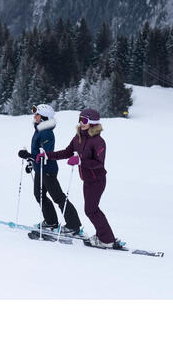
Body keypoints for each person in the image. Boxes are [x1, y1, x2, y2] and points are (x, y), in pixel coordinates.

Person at [46, 107, 118, 248]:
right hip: (87, 180)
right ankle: (103, 237)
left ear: (92, 123)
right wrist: (47, 155)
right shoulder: (78, 137)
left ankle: (107, 239)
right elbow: (67, 152)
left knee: (91, 210)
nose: (81, 123)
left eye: (84, 120)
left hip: (97, 180)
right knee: (91, 209)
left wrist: (80, 161)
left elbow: (99, 163)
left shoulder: (98, 141)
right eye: (80, 119)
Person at [17, 103, 82, 235]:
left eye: (37, 114)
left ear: (44, 117)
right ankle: (51, 221)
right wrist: (31, 161)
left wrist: (30, 156)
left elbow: (45, 154)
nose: (34, 116)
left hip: (47, 170)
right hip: (40, 169)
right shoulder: (39, 130)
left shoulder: (46, 133)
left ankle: (73, 225)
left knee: (58, 197)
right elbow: (38, 154)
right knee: (39, 195)